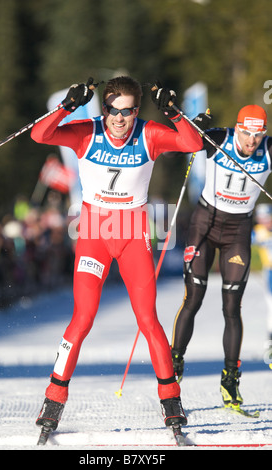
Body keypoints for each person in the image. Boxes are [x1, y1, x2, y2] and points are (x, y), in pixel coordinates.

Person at [31, 76, 203, 434]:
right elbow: (40, 135)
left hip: (131, 233)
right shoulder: (86, 131)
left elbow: (192, 142)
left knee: (147, 320)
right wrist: (65, 107)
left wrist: (173, 112)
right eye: (112, 110)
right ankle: (53, 398)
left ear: (136, 110)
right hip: (94, 232)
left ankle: (171, 402)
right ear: (104, 107)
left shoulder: (149, 133)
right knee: (83, 318)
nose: (119, 119)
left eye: (127, 111)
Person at [170, 104, 272, 410]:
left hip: (238, 231)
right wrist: (183, 119)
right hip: (205, 223)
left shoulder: (267, 149)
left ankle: (230, 379)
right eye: (246, 133)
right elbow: (183, 141)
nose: (251, 141)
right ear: (237, 128)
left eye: (257, 135)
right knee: (195, 297)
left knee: (232, 306)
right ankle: (174, 364)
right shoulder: (218, 139)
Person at [252, 203, 272, 359]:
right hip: (269, 272)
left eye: (267, 217)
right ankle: (270, 341)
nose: (265, 221)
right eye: (261, 218)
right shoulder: (257, 232)